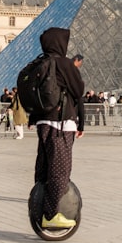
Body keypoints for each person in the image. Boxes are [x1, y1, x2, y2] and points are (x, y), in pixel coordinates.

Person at [30, 27, 85, 230]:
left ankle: (39, 206)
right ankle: (52, 214)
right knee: (60, 170)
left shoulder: (39, 63)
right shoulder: (63, 63)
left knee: (43, 169)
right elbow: (79, 90)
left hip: (43, 123)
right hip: (61, 124)